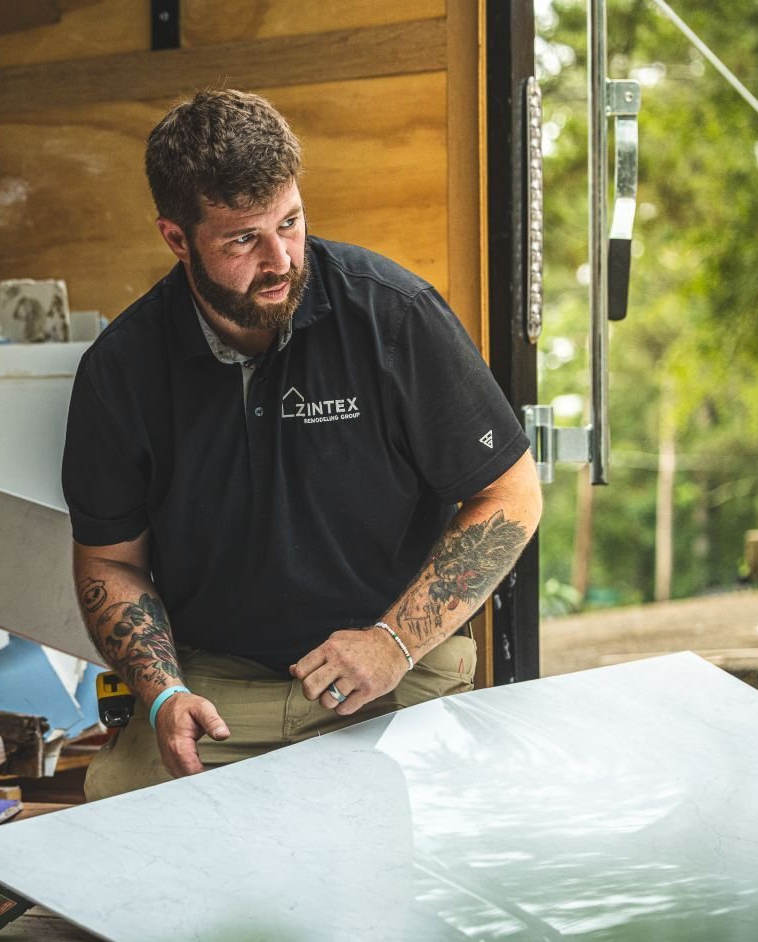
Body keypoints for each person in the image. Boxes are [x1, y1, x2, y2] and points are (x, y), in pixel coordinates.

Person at [63, 89, 543, 801]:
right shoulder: (118, 371)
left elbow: (511, 494)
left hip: (395, 672)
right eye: (242, 240)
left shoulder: (394, 315)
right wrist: (163, 694)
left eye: (290, 222)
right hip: (220, 692)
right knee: (123, 855)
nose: (281, 258)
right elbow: (110, 561)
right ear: (175, 238)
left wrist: (392, 643)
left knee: (422, 860)